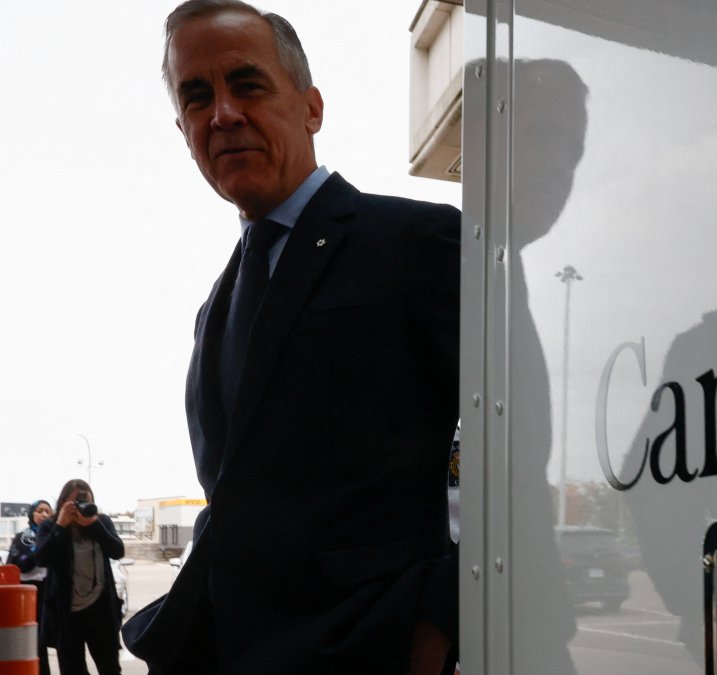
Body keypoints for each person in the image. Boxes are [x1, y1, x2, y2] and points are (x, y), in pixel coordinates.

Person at [120, 1, 460, 673]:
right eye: (197, 97)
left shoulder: (420, 243)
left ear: (311, 107)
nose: (223, 114)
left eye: (247, 85)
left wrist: (441, 618)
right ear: (184, 130)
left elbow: (523, 445)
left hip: (370, 646)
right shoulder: (215, 306)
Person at [35, 480, 125, 675]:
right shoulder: (51, 525)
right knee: (72, 670)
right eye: (78, 501)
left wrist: (94, 525)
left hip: (101, 611)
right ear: (63, 503)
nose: (83, 506)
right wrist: (61, 526)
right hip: (66, 614)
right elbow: (42, 558)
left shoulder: (101, 521)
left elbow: (118, 551)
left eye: (87, 501)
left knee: (110, 668)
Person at [6, 500, 54, 675]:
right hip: (29, 594)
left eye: (47, 511)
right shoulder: (23, 537)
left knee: (49, 639)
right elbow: (18, 564)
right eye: (39, 511)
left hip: (49, 591)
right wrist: (40, 551)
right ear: (32, 514)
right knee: (34, 641)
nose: (44, 514)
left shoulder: (55, 534)